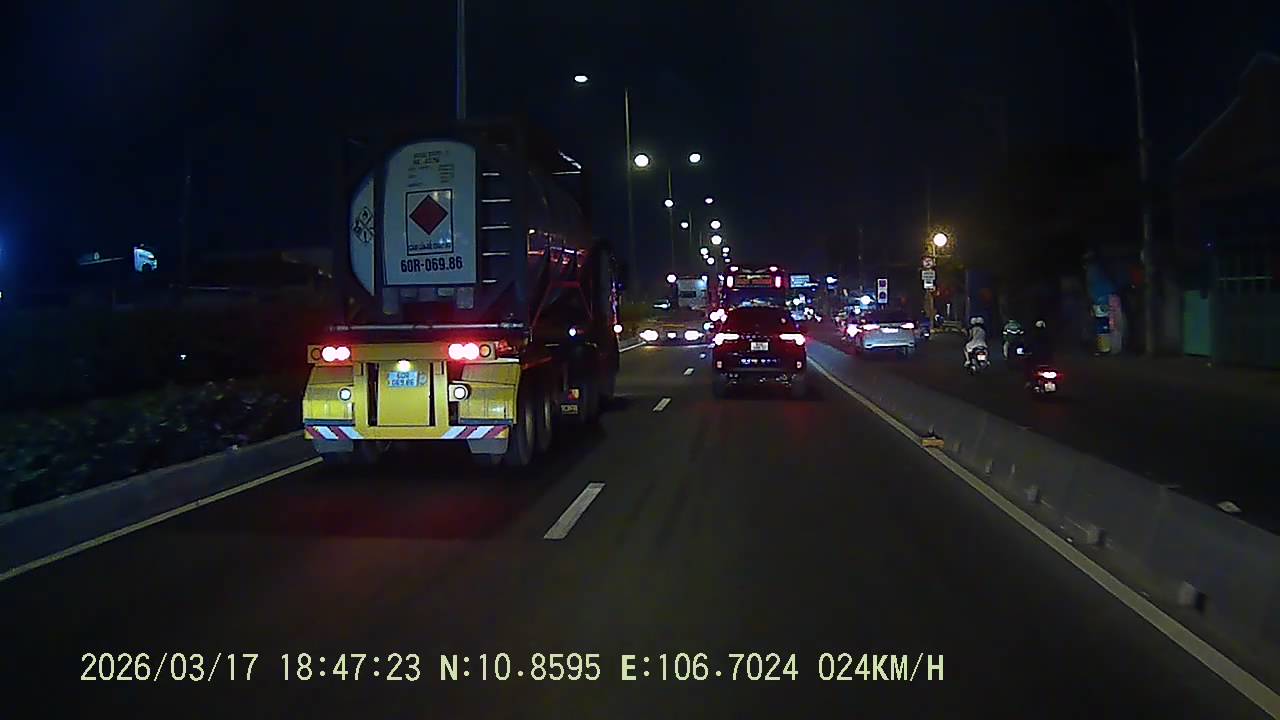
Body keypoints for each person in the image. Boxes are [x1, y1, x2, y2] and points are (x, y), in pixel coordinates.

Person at [1024, 319, 1055, 383]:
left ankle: (1029, 381)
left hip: (1037, 359)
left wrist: (1026, 351)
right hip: (1047, 359)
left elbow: (1028, 346)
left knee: (1027, 367)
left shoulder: (1033, 336)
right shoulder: (1049, 336)